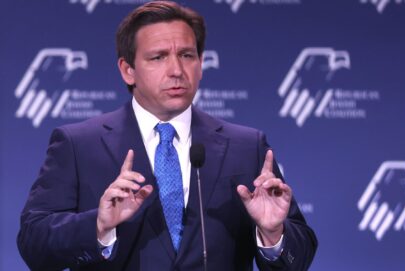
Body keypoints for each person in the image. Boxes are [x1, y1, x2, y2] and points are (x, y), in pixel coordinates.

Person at [17, 1, 317, 270]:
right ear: (127, 70)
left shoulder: (246, 147)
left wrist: (273, 234)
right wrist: (98, 225)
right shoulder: (78, 144)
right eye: (158, 57)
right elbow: (33, 243)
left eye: (187, 55)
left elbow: (299, 255)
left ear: (201, 64)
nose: (176, 70)